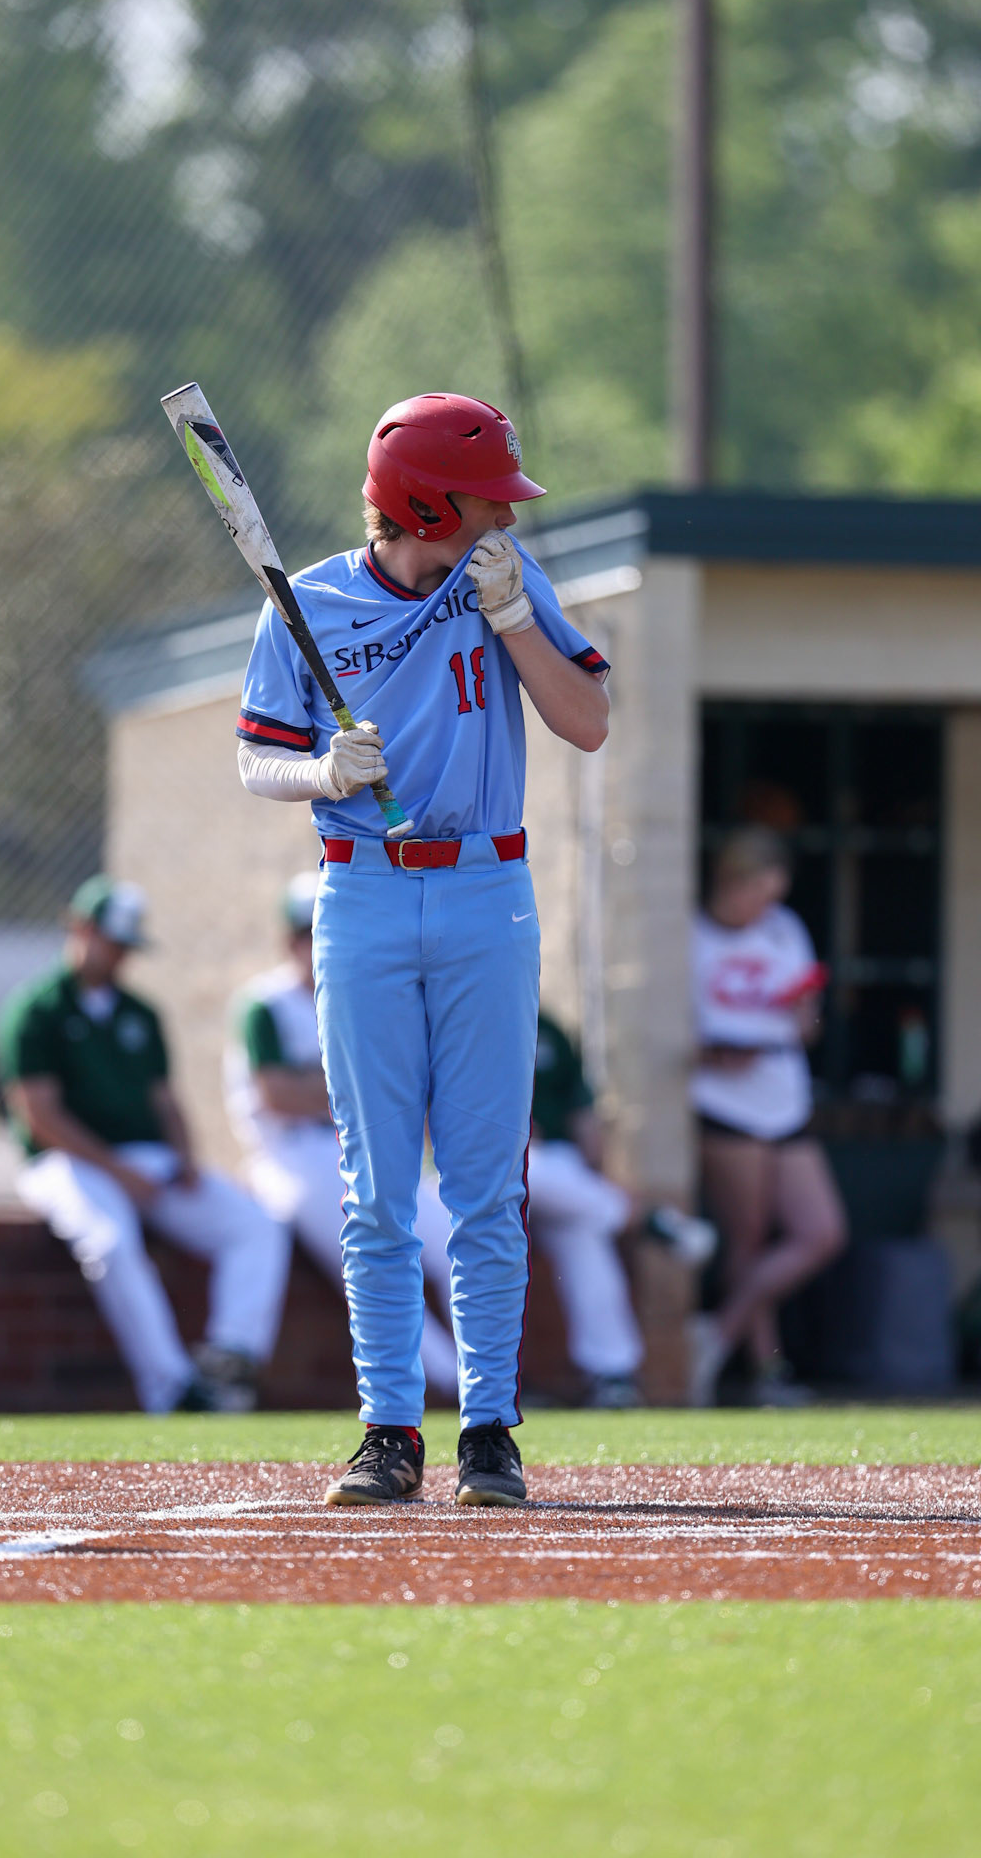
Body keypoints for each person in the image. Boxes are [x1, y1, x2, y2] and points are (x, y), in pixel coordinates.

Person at [234, 390, 610, 1506]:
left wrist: (516, 621)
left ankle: (489, 1428)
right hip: (361, 891)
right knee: (376, 1185)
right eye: (490, 496)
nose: (508, 513)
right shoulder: (306, 601)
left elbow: (588, 720)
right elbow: (256, 756)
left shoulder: (505, 576)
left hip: (489, 886)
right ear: (429, 503)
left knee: (488, 1182)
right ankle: (388, 1428)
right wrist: (319, 771)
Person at [0, 875, 290, 1414]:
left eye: (126, 945)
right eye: (112, 941)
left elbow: (165, 1100)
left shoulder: (140, 1012)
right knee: (110, 1244)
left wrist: (186, 1156)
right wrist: (117, 1171)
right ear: (80, 929)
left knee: (255, 1225)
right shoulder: (36, 1008)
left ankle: (231, 1356)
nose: (120, 956)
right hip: (66, 1163)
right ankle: (172, 1389)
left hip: (146, 1160)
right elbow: (40, 1118)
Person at [225, 871, 461, 1401]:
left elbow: (406, 1088)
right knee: (370, 1251)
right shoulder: (265, 1004)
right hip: (289, 1156)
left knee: (450, 1238)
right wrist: (358, 1087)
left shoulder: (367, 1001)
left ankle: (485, 1378)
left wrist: (341, 1088)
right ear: (290, 941)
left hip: (362, 1146)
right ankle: (443, 1381)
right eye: (309, 932)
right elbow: (278, 1095)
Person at [687, 827, 848, 1406]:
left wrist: (806, 1013)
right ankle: (767, 1372)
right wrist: (714, 1052)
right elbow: (671, 1032)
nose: (765, 906)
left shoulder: (784, 929)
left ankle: (714, 1334)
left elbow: (807, 1025)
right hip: (724, 1102)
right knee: (748, 1238)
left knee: (820, 1232)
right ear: (730, 882)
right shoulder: (692, 935)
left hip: (784, 1095)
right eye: (757, 891)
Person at [527, 1008, 717, 1407]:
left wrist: (597, 1169)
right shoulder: (453, 1017)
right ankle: (647, 1220)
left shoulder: (546, 1026)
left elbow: (582, 1115)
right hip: (474, 1169)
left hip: (558, 1173)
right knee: (525, 1163)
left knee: (584, 1235)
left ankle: (613, 1375)